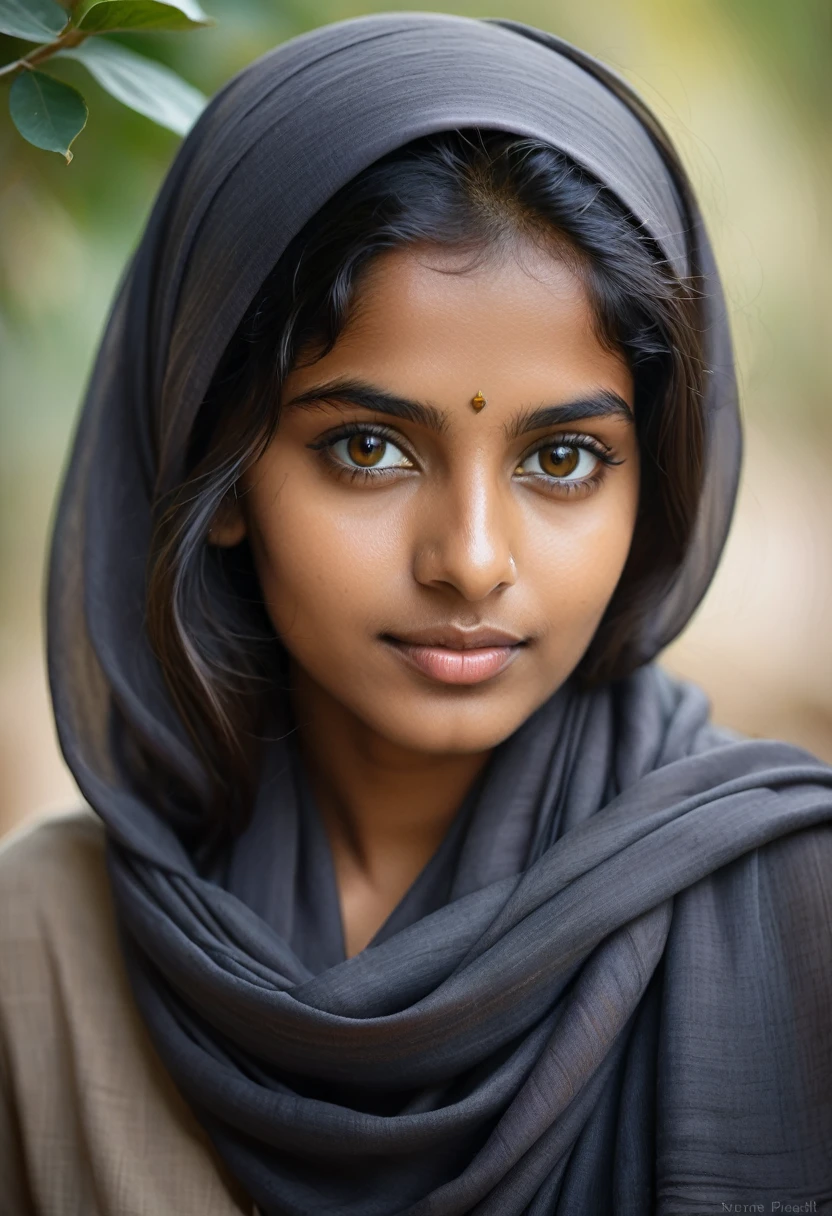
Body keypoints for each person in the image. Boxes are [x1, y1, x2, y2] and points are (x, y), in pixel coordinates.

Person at [1, 13, 830, 1216]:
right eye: (369, 446)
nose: (473, 560)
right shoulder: (44, 959)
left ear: (657, 482)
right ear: (220, 472)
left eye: (562, 459)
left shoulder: (795, 920)